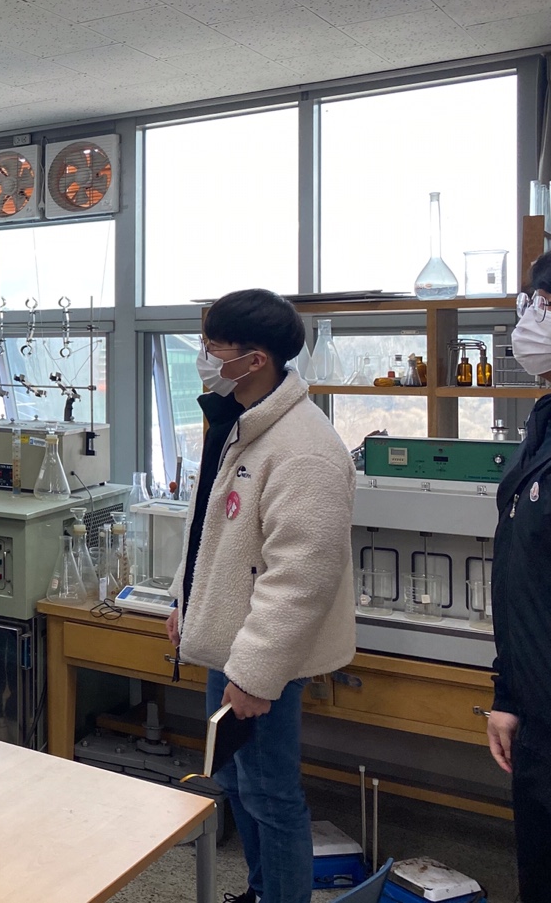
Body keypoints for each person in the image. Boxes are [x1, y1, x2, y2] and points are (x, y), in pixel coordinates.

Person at [167, 288, 355, 903]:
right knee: (236, 781)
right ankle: (258, 891)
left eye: (213, 348)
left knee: (270, 795)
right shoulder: (239, 423)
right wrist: (184, 601)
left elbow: (300, 578)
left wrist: (254, 675)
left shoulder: (305, 448)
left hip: (262, 660)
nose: (204, 358)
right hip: (227, 644)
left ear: (255, 360)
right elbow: (209, 528)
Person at [487, 253, 551, 903]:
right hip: (534, 715)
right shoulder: (542, 426)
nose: (530, 318)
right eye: (531, 303)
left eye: (545, 304)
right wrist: (507, 695)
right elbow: (523, 579)